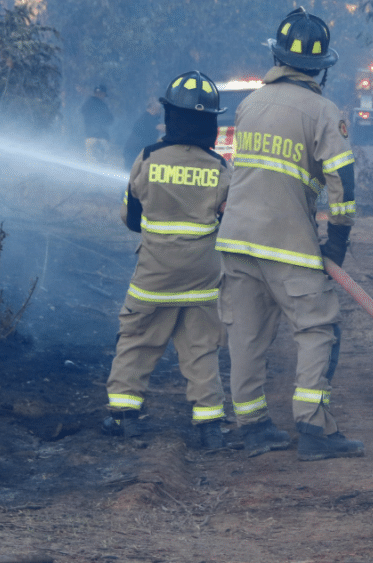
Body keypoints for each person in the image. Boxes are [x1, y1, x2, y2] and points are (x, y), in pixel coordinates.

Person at [215, 7, 362, 462]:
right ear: (321, 65)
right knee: (318, 328)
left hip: (237, 240)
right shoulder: (322, 111)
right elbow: (342, 178)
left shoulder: (251, 103)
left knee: (246, 335)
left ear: (277, 56)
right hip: (288, 243)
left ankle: (253, 426)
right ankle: (314, 428)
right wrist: (337, 238)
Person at [102, 71, 232, 451]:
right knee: (201, 346)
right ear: (210, 120)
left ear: (170, 115)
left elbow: (131, 219)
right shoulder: (220, 168)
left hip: (155, 274)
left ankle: (124, 416)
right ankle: (210, 427)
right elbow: (228, 218)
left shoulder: (147, 158)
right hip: (203, 275)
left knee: (138, 339)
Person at [122, 98, 164, 167]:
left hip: (136, 152)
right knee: (131, 173)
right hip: (134, 152)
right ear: (154, 108)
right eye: (159, 109)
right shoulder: (147, 118)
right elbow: (161, 127)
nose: (161, 111)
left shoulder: (148, 118)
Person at [81, 84, 114, 164]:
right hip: (102, 137)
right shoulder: (104, 105)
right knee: (103, 162)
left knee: (91, 162)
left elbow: (82, 112)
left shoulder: (87, 103)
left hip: (90, 136)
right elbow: (110, 120)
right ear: (103, 94)